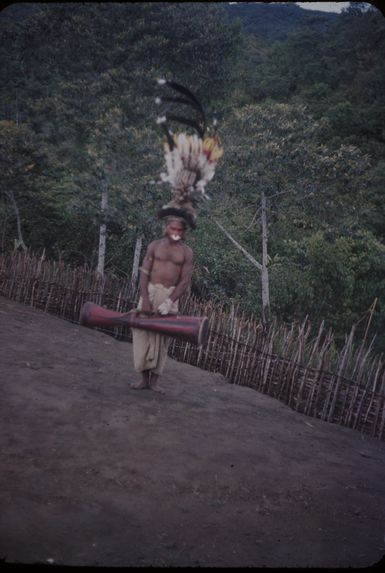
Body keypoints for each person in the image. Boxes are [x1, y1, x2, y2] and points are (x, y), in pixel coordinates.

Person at [130, 216, 193, 394]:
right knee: (141, 333)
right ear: (166, 228)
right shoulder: (154, 246)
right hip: (150, 292)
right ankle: (143, 379)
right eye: (173, 229)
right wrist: (146, 298)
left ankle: (155, 382)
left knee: (162, 339)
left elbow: (185, 280)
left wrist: (169, 302)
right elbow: (144, 272)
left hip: (169, 296)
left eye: (180, 230)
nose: (176, 233)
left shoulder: (186, 252)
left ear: (184, 232)